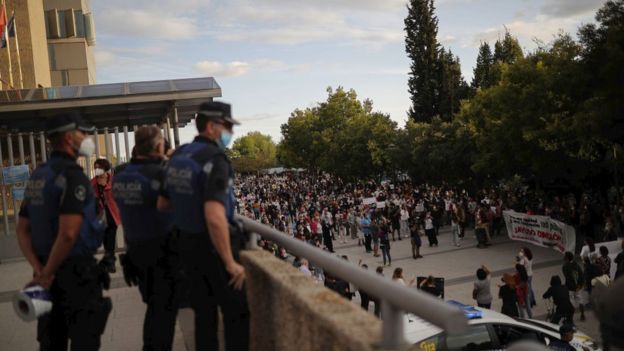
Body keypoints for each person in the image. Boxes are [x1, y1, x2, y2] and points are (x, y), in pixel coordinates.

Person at [17, 113, 112, 350]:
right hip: (75, 275)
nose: (87, 138)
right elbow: (68, 233)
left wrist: (39, 270)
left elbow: (22, 229)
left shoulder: (38, 176)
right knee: (84, 340)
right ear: (70, 138)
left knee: (51, 340)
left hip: (44, 273)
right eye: (83, 133)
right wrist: (48, 273)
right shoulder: (73, 176)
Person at [159, 101, 249, 351]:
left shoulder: (179, 155)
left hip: (186, 245)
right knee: (237, 313)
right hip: (213, 247)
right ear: (212, 126)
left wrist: (188, 204)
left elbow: (163, 204)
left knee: (204, 315)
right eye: (227, 126)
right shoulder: (215, 159)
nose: (231, 131)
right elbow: (214, 216)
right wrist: (230, 262)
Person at [112, 125, 179, 350]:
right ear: (159, 146)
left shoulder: (121, 175)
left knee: (155, 307)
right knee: (164, 311)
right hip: (162, 252)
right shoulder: (162, 172)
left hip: (135, 250)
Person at [91, 158, 122, 273]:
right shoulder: (93, 183)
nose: (96, 170)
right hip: (100, 215)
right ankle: (109, 262)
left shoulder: (112, 180)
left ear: (105, 168)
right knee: (106, 240)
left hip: (112, 214)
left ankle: (110, 263)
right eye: (95, 168)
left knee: (111, 239)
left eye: (98, 167)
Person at [562, 251, 586, 321]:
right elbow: (581, 275)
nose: (563, 258)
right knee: (580, 301)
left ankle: (570, 318)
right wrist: (580, 285)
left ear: (566, 258)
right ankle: (582, 314)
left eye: (564, 257)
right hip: (578, 287)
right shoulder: (576, 265)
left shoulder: (565, 267)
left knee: (571, 303)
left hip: (570, 287)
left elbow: (566, 276)